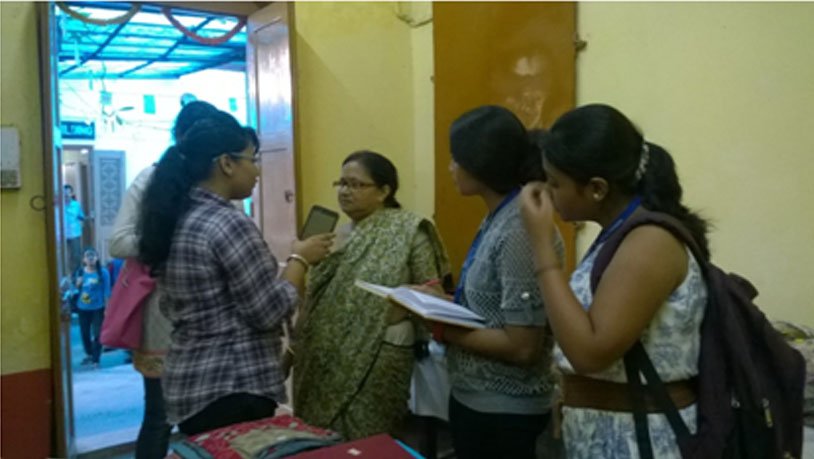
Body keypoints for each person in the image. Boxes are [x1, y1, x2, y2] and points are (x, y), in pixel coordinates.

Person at [518, 103, 709, 458]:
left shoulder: (651, 241)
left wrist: (542, 245)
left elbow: (590, 353)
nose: (548, 191)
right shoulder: (619, 234)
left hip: (639, 438)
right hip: (607, 432)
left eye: (556, 182)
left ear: (596, 189)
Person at [137, 110, 333, 436]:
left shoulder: (177, 216)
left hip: (191, 380)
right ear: (227, 164)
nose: (257, 171)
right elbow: (267, 311)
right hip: (232, 386)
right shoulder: (227, 223)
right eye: (252, 159)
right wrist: (300, 258)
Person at [430, 105, 562, 459]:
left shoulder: (518, 228)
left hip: (505, 408)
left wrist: (440, 326)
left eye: (456, 159)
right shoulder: (499, 216)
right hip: (475, 397)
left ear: (480, 165)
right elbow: (493, 310)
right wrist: (439, 301)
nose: (451, 168)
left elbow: (522, 346)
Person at [292, 150, 451, 440]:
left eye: (355, 184)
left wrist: (402, 303)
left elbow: (432, 293)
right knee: (321, 441)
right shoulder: (331, 238)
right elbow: (312, 298)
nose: (344, 191)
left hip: (379, 354)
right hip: (322, 358)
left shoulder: (407, 230)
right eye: (341, 183)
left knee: (370, 440)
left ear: (384, 191)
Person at [108, 100, 218, 458]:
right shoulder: (151, 179)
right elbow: (118, 242)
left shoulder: (216, 184)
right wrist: (167, 241)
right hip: (162, 315)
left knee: (208, 414)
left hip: (209, 311)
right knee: (160, 415)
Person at [74, 248, 110, 369]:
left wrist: (107, 308)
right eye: (87, 256)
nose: (90, 258)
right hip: (82, 308)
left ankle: (96, 359)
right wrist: (78, 283)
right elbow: (75, 289)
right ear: (84, 260)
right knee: (84, 334)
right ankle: (89, 354)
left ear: (97, 258)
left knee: (98, 333)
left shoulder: (103, 272)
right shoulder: (80, 272)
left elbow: (107, 291)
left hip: (98, 308)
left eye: (93, 256)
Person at [64, 184, 86, 271]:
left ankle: (76, 273)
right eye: (64, 193)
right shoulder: (59, 205)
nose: (66, 195)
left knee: (76, 255)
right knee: (64, 255)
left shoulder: (76, 205)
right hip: (62, 235)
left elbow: (81, 216)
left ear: (71, 193)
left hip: (74, 233)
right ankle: (66, 273)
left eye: (68, 193)